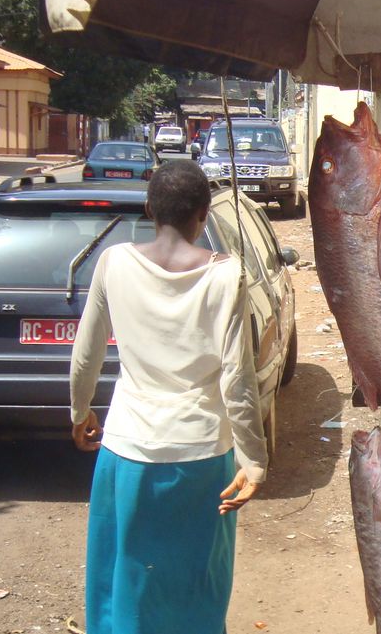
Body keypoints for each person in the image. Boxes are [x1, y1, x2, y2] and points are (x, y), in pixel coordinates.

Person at [69, 160, 268, 634]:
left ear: (148, 209)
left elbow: (86, 354)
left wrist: (80, 411)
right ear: (203, 214)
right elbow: (236, 379)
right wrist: (254, 460)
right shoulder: (227, 274)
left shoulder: (114, 262)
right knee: (197, 587)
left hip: (126, 453)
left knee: (125, 584)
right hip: (201, 456)